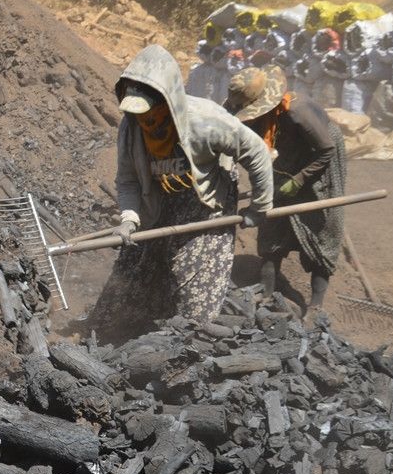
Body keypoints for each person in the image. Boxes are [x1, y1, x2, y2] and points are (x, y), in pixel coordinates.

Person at [86, 45, 274, 339]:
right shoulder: (131, 129)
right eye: (136, 114)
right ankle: (122, 331)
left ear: (167, 101)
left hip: (204, 197)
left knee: (192, 270)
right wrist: (128, 219)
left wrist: (260, 206)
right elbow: (128, 180)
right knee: (134, 266)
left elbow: (257, 152)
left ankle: (190, 338)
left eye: (149, 112)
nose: (144, 121)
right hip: (158, 196)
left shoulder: (205, 121)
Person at [225, 65, 346, 316]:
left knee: (321, 225)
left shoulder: (296, 112)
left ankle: (316, 306)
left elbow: (327, 149)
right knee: (273, 220)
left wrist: (300, 180)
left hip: (320, 155)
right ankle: (266, 292)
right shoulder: (239, 103)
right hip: (287, 153)